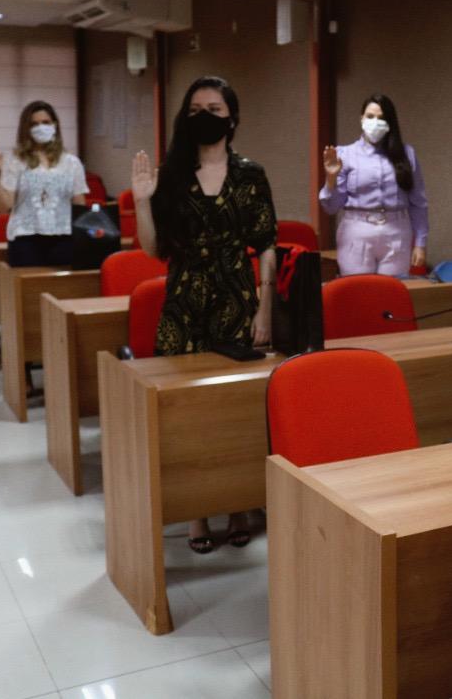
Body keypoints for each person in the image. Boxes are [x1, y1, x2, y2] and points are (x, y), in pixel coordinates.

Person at [130, 75, 277, 554]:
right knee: (187, 415)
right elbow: (154, 249)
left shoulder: (251, 174)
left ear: (231, 118)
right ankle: (196, 512)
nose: (204, 118)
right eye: (195, 110)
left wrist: (265, 310)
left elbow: (267, 246)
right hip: (185, 306)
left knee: (236, 413)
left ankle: (237, 506)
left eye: (214, 109)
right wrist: (142, 201)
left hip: (238, 303)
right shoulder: (172, 174)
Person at [319, 94, 429, 276]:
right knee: (358, 289)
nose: (375, 122)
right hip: (356, 231)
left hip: (397, 232)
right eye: (370, 116)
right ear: (361, 118)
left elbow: (418, 202)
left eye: (381, 118)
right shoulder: (344, 154)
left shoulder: (406, 154)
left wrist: (420, 243)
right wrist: (331, 178)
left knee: (391, 290)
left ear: (390, 122)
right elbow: (331, 207)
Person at [0, 100, 89, 267]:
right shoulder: (15, 161)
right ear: (26, 129)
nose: (41, 127)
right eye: (34, 124)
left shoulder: (72, 163)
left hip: (64, 238)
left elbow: (80, 206)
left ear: (54, 125)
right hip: (25, 240)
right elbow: (4, 207)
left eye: (46, 122)